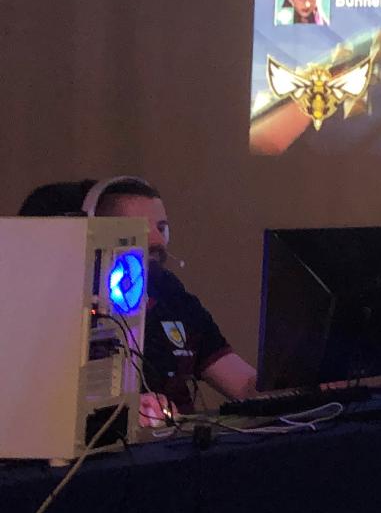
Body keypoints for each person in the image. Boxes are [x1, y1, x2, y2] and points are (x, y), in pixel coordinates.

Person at [17, 177, 260, 420]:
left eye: (161, 228)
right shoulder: (61, 312)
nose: (157, 240)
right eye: (139, 228)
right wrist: (129, 411)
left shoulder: (169, 292)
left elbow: (244, 386)